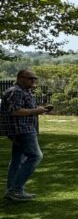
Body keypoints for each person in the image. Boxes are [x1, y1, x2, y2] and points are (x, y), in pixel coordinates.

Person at [1, 69, 51, 201]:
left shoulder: (24, 91)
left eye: (35, 79)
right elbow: (15, 111)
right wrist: (36, 110)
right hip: (22, 130)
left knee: (17, 161)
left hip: (24, 129)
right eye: (30, 78)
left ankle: (12, 191)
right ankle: (16, 189)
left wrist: (40, 110)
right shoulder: (15, 91)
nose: (33, 81)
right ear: (20, 78)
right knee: (35, 156)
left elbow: (25, 109)